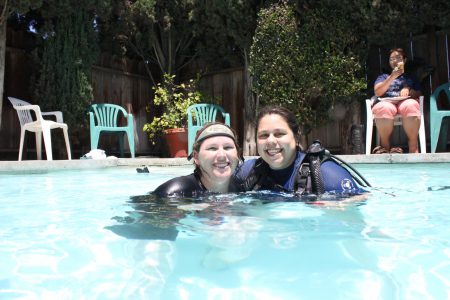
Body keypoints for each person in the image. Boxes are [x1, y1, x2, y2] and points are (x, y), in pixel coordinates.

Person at [233, 106, 368, 197]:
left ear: (296, 137)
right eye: (263, 135)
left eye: (279, 134)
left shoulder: (326, 174)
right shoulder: (249, 171)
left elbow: (358, 203)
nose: (271, 141)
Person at [153, 122, 242, 197]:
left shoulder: (243, 188)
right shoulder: (172, 192)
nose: (222, 155)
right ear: (196, 157)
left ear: (238, 154)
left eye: (228, 147)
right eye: (212, 148)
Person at [372, 48, 422, 154]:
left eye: (398, 58)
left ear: (404, 60)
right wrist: (392, 77)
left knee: (411, 105)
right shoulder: (383, 77)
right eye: (392, 59)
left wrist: (408, 89)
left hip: (405, 102)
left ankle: (413, 146)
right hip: (388, 102)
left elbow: (418, 93)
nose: (395, 61)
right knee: (382, 108)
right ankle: (385, 146)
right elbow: (378, 92)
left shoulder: (410, 77)